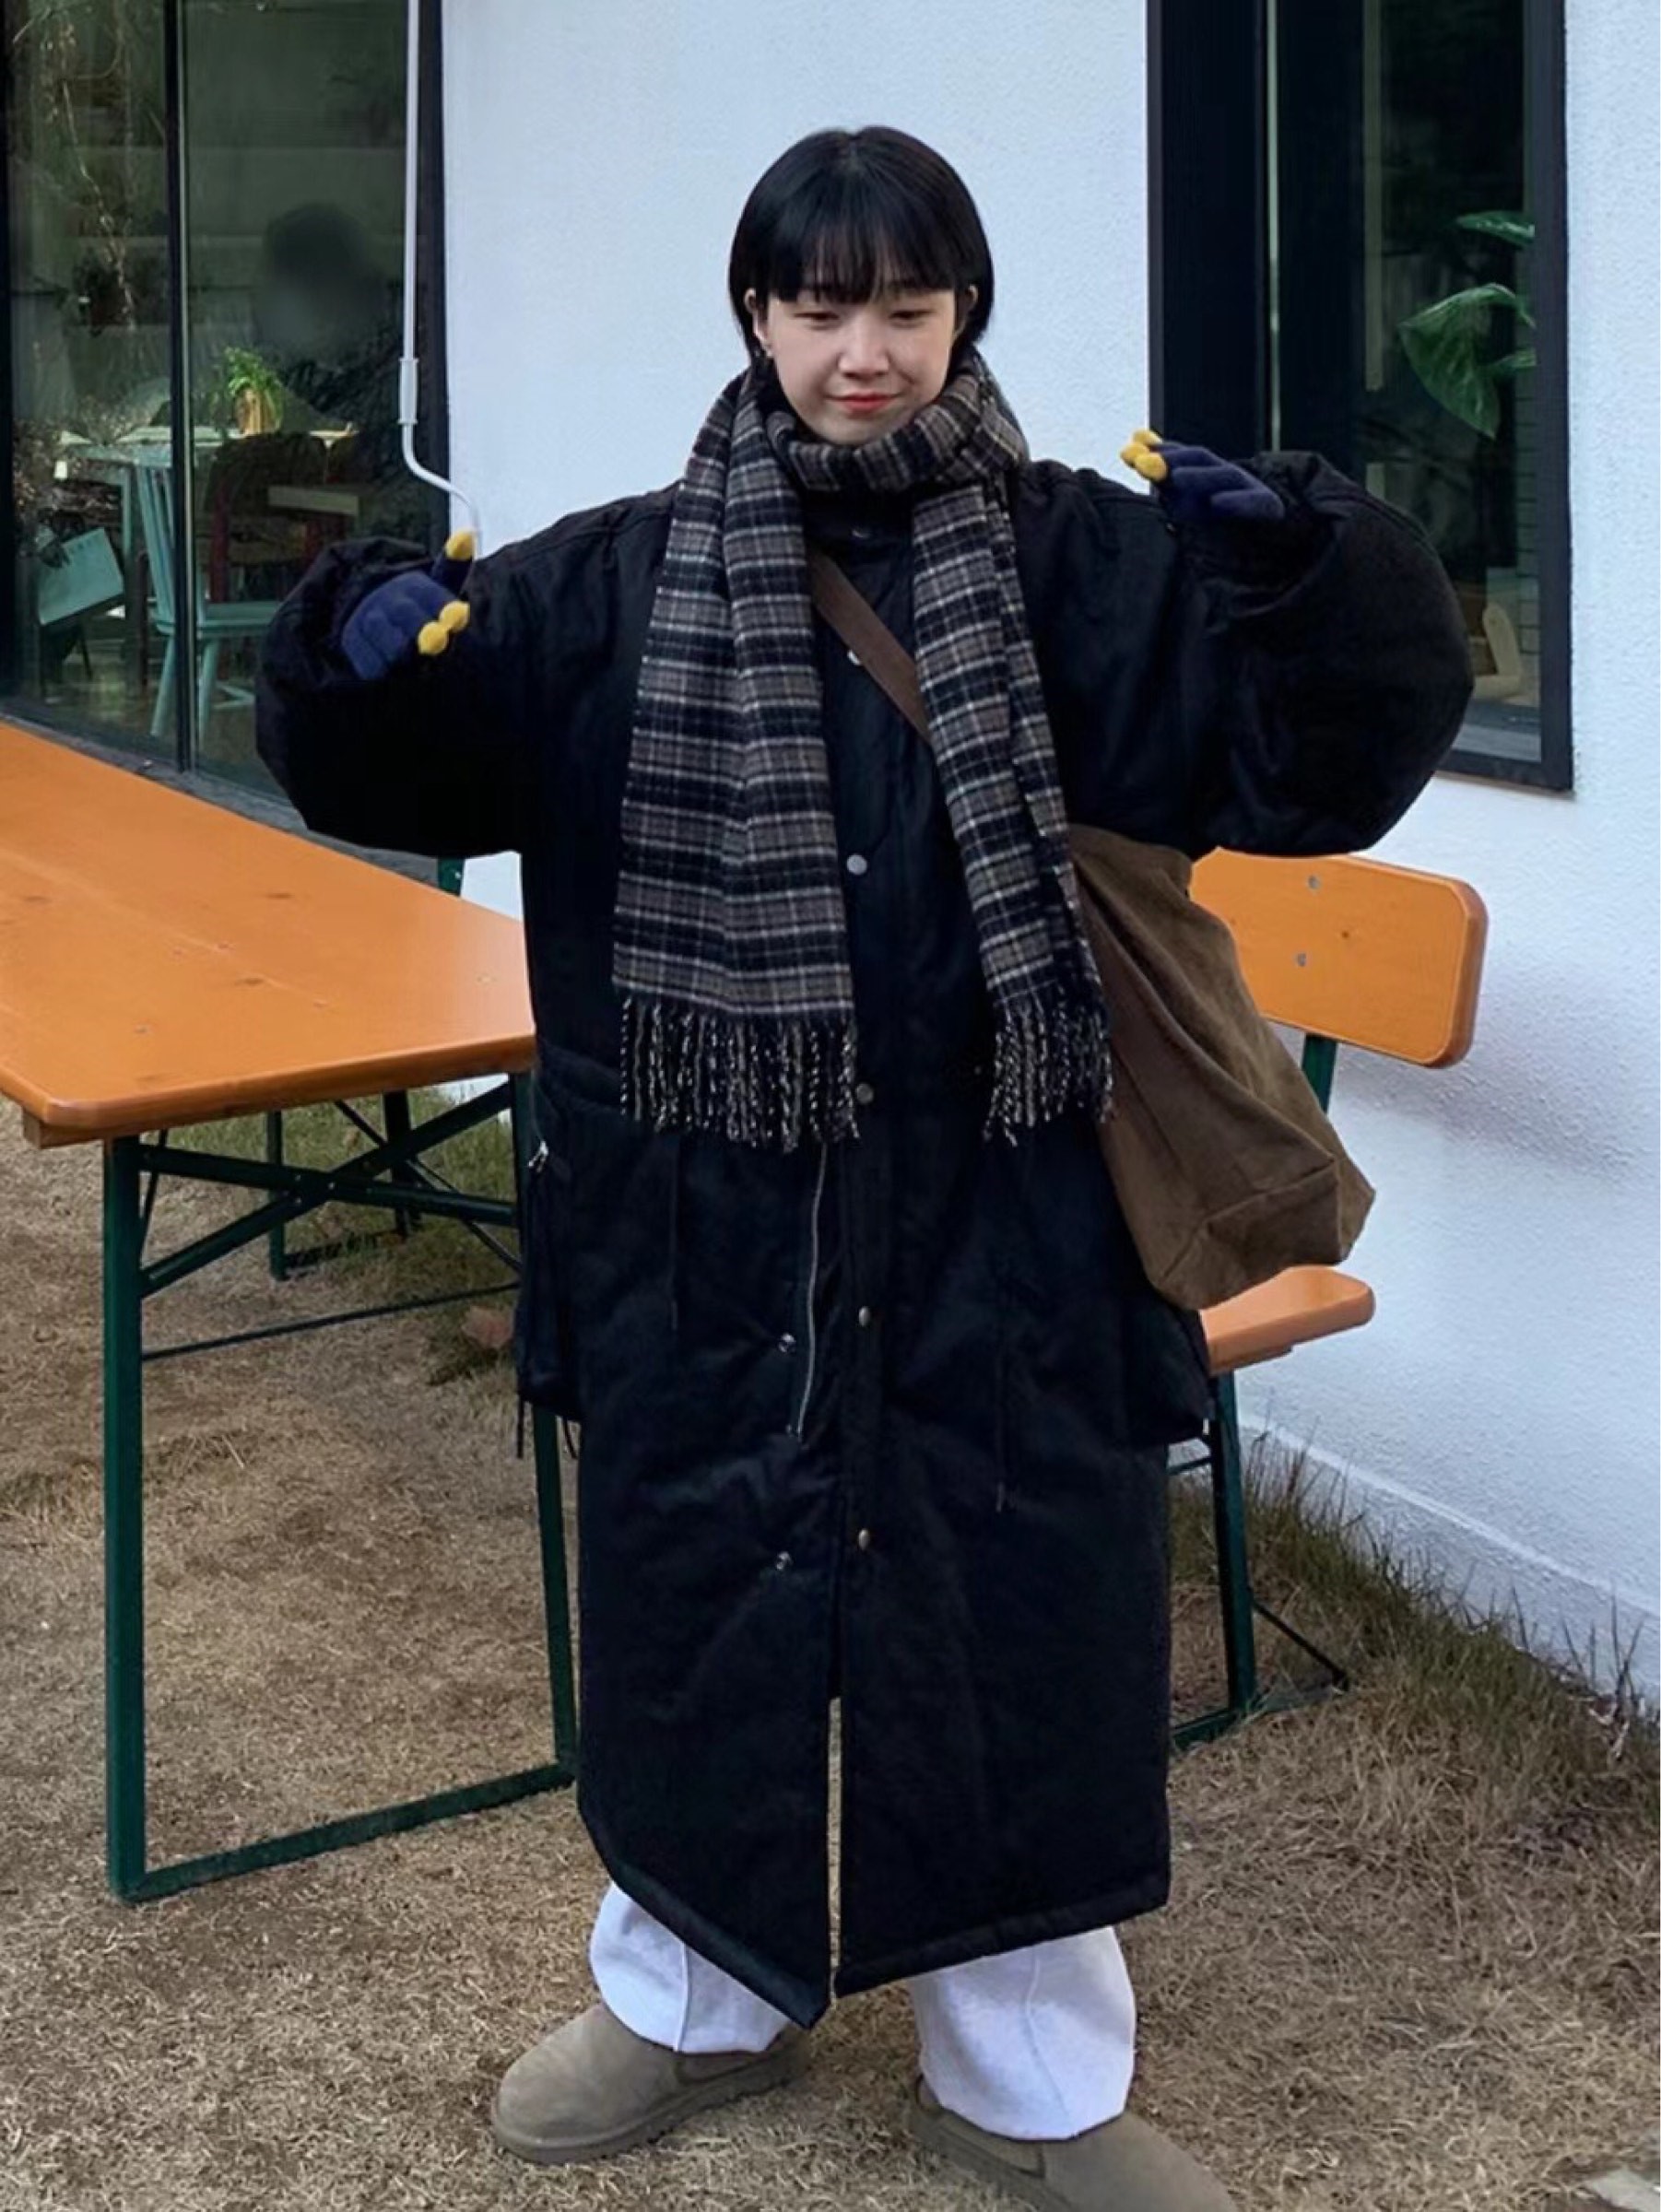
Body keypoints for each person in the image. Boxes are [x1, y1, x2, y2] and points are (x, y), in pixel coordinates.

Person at [255, 125, 1471, 2212]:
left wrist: (1313, 575)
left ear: (962, 310)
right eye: (820, 308)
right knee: (693, 1606)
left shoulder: (1089, 570)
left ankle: (1028, 2080)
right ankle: (685, 2002)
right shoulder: (611, 580)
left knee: (1012, 1621)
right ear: (756, 315)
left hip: (1009, 1210)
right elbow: (408, 759)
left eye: (906, 307)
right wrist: (345, 640)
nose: (864, 353)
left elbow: (1314, 763)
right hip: (703, 1218)